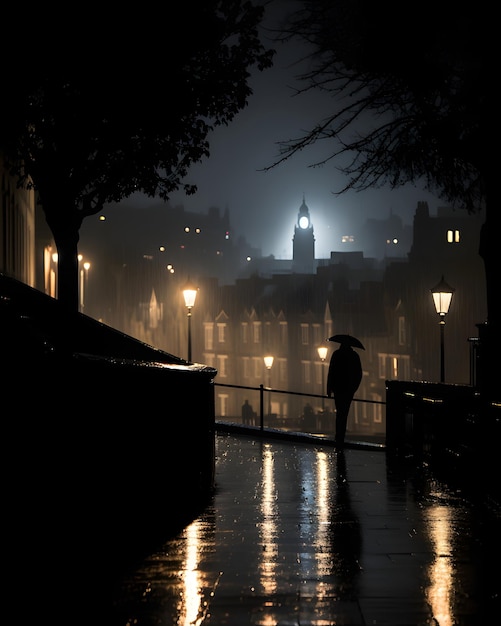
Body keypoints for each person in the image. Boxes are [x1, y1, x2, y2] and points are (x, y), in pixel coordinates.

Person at [327, 342, 362, 447]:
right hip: (348, 390)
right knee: (344, 412)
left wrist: (329, 388)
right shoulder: (354, 356)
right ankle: (341, 435)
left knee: (339, 412)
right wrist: (353, 388)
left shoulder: (336, 354)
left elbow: (331, 372)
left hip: (338, 388)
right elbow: (358, 374)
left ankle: (338, 435)